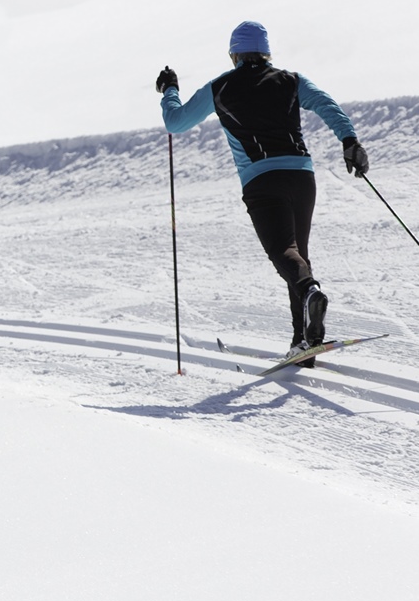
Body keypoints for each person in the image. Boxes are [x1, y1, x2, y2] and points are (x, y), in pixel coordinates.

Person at [154, 21, 369, 365]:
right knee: (297, 256)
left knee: (284, 253)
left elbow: (175, 122)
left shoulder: (220, 87)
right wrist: (350, 141)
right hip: (301, 176)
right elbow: (328, 105)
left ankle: (311, 294)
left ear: (234, 54)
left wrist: (170, 90)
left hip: (262, 181)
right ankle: (303, 340)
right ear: (266, 52)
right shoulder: (292, 80)